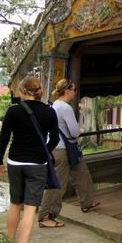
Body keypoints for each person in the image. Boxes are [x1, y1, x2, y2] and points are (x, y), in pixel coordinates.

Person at [0, 76, 59, 243]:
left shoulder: (13, 111)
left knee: (15, 203)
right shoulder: (49, 112)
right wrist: (43, 150)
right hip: (37, 164)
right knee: (30, 208)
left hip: (15, 162)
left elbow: (5, 138)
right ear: (39, 92)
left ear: (22, 91)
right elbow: (54, 138)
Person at [38, 78, 99, 227]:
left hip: (60, 148)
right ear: (67, 91)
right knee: (58, 183)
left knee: (81, 173)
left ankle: (87, 202)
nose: (75, 92)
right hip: (62, 149)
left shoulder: (53, 105)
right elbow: (74, 131)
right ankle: (46, 216)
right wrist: (81, 126)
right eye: (74, 89)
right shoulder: (65, 108)